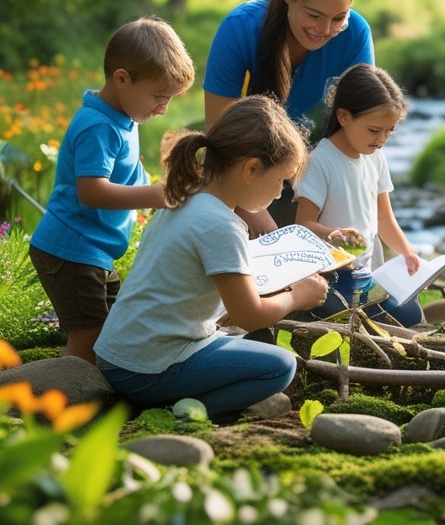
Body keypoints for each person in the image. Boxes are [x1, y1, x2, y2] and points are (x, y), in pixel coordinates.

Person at [95, 95, 330, 420]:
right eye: (280, 181)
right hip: (146, 370)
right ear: (250, 169)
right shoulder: (221, 224)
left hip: (120, 354)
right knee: (280, 367)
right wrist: (296, 296)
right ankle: (187, 414)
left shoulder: (184, 196)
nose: (279, 194)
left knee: (240, 338)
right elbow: (248, 315)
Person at [29, 16, 195, 363]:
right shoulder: (98, 126)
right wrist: (156, 196)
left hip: (93, 252)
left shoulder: (124, 118)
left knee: (114, 331)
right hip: (71, 251)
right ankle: (66, 404)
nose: (163, 108)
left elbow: (126, 175)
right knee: (87, 342)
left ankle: (90, 392)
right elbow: (91, 192)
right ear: (122, 79)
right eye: (159, 97)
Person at [203, 0, 372, 234]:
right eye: (314, 15)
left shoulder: (355, 33)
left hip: (318, 170)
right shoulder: (240, 28)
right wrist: (261, 222)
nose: (325, 29)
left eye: (338, 18)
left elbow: (361, 130)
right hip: (247, 170)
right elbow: (219, 141)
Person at [295, 63, 424, 327]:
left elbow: (384, 219)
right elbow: (302, 226)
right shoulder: (322, 160)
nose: (382, 139)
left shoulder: (374, 156)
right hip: (334, 275)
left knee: (411, 314)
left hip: (367, 270)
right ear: (344, 117)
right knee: (385, 319)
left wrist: (408, 253)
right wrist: (336, 233)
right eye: (374, 130)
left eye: (390, 131)